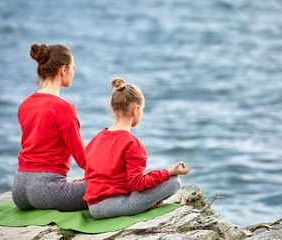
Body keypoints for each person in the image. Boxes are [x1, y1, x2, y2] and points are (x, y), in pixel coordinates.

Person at [83, 77, 192, 219]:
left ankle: (143, 204)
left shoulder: (97, 138)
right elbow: (138, 184)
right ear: (136, 109)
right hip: (114, 206)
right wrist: (168, 172)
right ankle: (144, 205)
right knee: (174, 182)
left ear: (114, 109)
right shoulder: (131, 143)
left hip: (93, 208)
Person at [12, 44, 87, 211]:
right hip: (47, 191)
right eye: (73, 68)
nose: (73, 73)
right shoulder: (64, 108)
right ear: (63, 69)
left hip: (18, 189)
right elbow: (83, 160)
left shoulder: (25, 104)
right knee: (113, 183)